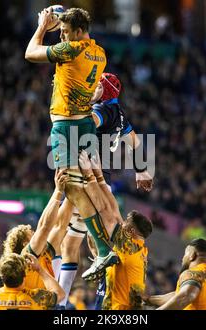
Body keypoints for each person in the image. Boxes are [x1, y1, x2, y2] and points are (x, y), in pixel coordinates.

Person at [25, 7, 116, 277]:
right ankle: (102, 249)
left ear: (77, 31)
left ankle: (102, 249)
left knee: (69, 186)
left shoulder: (71, 49)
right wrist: (59, 24)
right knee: (82, 187)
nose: (62, 37)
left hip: (66, 125)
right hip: (85, 123)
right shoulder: (99, 52)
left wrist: (42, 27)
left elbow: (31, 52)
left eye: (65, 32)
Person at [57, 73, 154, 308]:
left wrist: (72, 102)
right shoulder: (118, 113)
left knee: (63, 235)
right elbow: (135, 141)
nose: (93, 87)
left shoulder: (103, 110)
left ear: (105, 89)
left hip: (89, 179)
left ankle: (59, 302)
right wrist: (142, 170)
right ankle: (68, 299)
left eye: (97, 84)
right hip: (99, 179)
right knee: (70, 245)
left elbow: (90, 121)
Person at [78, 151, 153, 310]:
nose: (122, 223)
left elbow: (105, 210)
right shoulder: (137, 247)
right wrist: (98, 174)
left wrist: (88, 174)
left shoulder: (128, 247)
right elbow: (113, 208)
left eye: (125, 223)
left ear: (131, 231)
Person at [2, 170, 73, 290]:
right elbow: (44, 227)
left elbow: (59, 227)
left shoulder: (42, 255)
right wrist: (58, 191)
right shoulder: (26, 258)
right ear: (25, 244)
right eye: (31, 234)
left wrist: (73, 191)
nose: (35, 234)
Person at [142, 239, 206, 310]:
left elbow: (185, 296)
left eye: (185, 254)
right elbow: (178, 295)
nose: (183, 258)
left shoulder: (193, 273)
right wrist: (150, 300)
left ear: (192, 255)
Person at [0, 253, 65, 310]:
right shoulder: (37, 297)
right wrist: (39, 269)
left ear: (1, 276)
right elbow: (60, 294)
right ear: (24, 277)